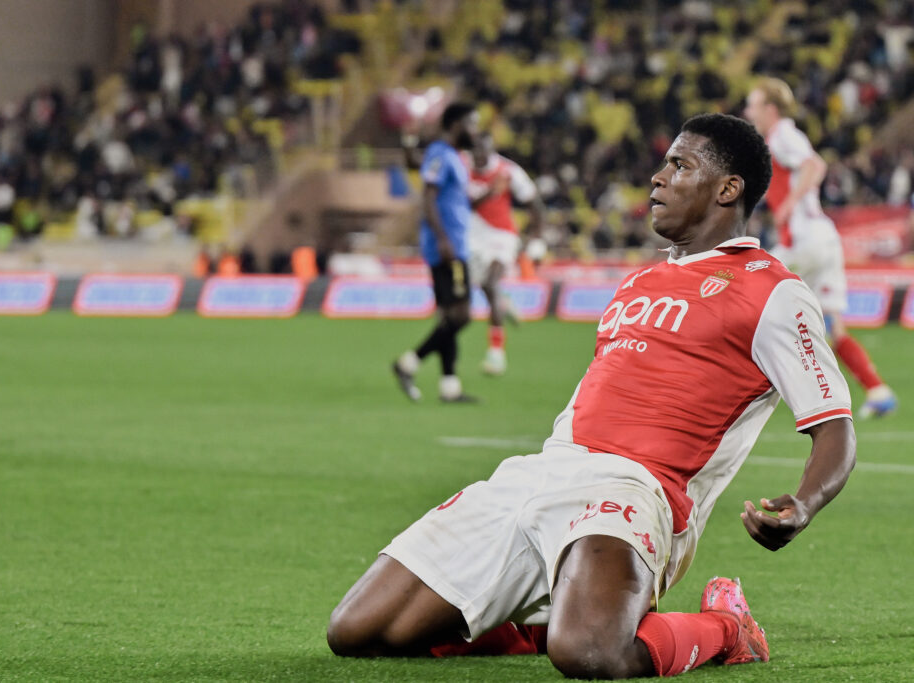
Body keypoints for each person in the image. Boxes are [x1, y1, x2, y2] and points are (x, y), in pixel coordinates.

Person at [329, 114, 857, 678]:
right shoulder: (638, 281)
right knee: (357, 631)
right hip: (541, 473)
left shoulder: (773, 291)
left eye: (680, 165)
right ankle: (541, 624)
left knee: (590, 653)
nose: (657, 177)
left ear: (728, 189)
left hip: (638, 488)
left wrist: (805, 503)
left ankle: (727, 629)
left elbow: (834, 424)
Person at [744, 77, 898, 418]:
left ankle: (738, 392)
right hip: (823, 239)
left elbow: (815, 165)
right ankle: (878, 391)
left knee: (750, 295)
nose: (748, 112)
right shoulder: (783, 136)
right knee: (832, 326)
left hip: (804, 241)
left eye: (753, 105)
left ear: (770, 109)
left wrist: (789, 203)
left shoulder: (781, 135)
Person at [392, 103, 480, 403]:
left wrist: (408, 142)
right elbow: (428, 197)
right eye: (471, 123)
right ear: (455, 125)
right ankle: (408, 363)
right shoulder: (442, 154)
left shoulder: (448, 155)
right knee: (461, 316)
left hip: (453, 243)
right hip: (448, 247)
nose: (475, 131)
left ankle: (449, 387)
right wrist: (443, 240)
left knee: (448, 317)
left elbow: (417, 165)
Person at [463, 131, 547, 376]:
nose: (478, 157)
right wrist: (490, 192)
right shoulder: (462, 167)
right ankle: (502, 302)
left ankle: (496, 353)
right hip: (473, 236)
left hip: (502, 236)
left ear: (490, 151)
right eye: (474, 152)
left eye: (483, 152)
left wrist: (537, 238)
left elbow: (535, 205)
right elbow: (464, 204)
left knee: (490, 283)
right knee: (484, 286)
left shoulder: (509, 171)